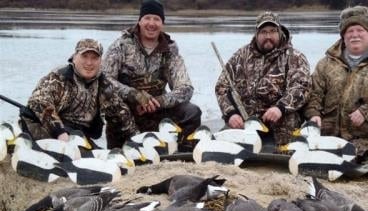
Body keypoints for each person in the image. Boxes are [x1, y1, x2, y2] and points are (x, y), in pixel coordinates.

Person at [303, 6, 368, 162]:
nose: (354, 35)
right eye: (349, 31)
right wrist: (313, 113)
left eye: (360, 30)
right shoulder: (326, 63)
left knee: (353, 160)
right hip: (328, 136)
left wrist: (366, 112)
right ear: (343, 36)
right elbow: (314, 92)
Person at [102, 0, 201, 147]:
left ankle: (181, 150)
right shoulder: (121, 45)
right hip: (128, 112)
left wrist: (160, 101)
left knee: (192, 112)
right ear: (140, 21)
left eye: (157, 19)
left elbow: (186, 88)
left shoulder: (170, 50)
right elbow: (104, 80)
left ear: (162, 24)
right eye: (147, 18)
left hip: (158, 111)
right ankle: (125, 147)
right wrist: (134, 95)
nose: (151, 23)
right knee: (115, 111)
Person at [215, 11, 311, 146]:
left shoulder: (294, 57)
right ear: (256, 33)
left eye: (272, 31)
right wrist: (231, 114)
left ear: (279, 32)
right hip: (245, 118)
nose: (268, 36)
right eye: (263, 32)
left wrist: (280, 108)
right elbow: (221, 87)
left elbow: (302, 87)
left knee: (288, 135)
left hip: (278, 117)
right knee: (223, 145)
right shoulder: (241, 56)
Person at [23, 38, 134, 148]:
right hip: (48, 130)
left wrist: (135, 139)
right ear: (74, 57)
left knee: (98, 155)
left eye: (94, 58)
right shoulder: (58, 77)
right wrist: (60, 132)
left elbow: (122, 115)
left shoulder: (105, 85)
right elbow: (38, 101)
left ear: (101, 61)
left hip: (78, 135)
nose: (89, 63)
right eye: (84, 57)